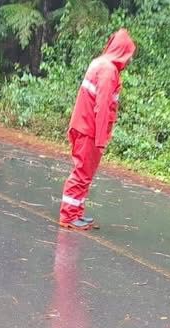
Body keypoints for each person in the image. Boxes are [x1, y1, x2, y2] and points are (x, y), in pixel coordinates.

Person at [58, 29, 136, 231]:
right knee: (82, 173)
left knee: (84, 173)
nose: (129, 61)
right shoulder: (109, 71)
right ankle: (69, 215)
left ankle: (76, 213)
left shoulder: (99, 63)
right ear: (122, 52)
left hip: (83, 125)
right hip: (89, 129)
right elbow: (102, 107)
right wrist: (101, 138)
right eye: (129, 56)